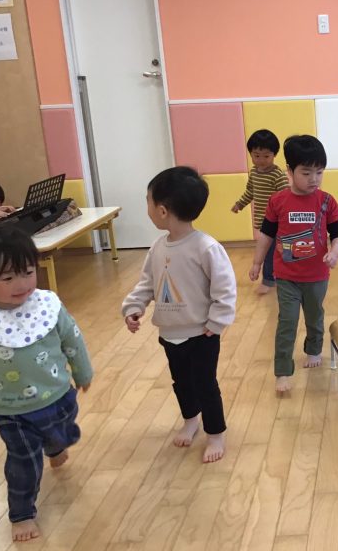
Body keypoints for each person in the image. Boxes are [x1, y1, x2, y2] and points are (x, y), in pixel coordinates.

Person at [122, 167, 236, 463]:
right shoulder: (158, 248)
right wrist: (134, 306)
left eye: (147, 201)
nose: (147, 208)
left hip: (202, 334)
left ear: (162, 210)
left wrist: (216, 323)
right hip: (170, 334)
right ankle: (190, 419)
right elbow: (148, 283)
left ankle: (215, 433)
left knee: (206, 385)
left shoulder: (206, 248)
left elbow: (224, 289)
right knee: (182, 383)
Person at [0, 226, 92, 542]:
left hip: (59, 395)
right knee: (23, 459)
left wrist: (83, 372)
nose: (22, 283)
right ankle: (22, 513)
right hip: (9, 410)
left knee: (60, 430)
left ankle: (55, 445)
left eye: (28, 272)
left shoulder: (47, 305)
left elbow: (72, 340)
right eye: (8, 277)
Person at [249, 135, 338, 394]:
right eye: (306, 172)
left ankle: (313, 349)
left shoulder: (327, 201)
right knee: (287, 322)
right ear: (290, 171)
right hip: (286, 276)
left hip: (316, 275)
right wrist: (257, 262)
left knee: (314, 316)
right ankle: (282, 371)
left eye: (319, 172)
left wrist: (335, 252)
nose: (314, 179)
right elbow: (266, 235)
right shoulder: (278, 201)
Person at [231, 129, 288, 295]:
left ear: (274, 155)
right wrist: (240, 204)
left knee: (270, 252)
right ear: (250, 154)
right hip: (262, 221)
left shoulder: (277, 175)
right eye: (256, 156)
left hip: (276, 222)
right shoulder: (254, 173)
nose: (261, 160)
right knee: (274, 251)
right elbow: (250, 192)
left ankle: (268, 280)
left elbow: (286, 198)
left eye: (266, 156)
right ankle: (280, 277)